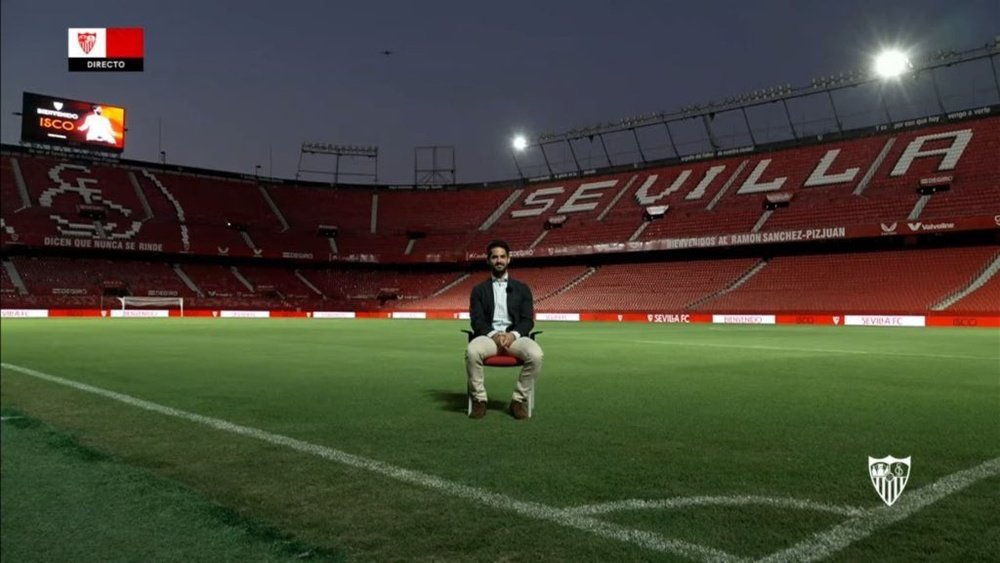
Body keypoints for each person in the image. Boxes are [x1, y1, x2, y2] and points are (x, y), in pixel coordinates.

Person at [466, 240, 544, 419]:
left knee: (536, 355)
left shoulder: (522, 289)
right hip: (488, 337)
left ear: (509, 259)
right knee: (472, 351)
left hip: (515, 338)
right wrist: (493, 334)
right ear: (488, 261)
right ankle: (479, 400)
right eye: (494, 257)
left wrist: (513, 334)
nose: (499, 260)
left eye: (502, 257)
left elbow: (527, 321)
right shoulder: (478, 290)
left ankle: (518, 400)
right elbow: (476, 321)